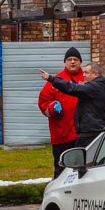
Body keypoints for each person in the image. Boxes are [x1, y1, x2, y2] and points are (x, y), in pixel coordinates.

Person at [40, 60, 105, 148]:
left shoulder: (94, 87)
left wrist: (51, 79)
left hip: (90, 132)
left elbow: (72, 88)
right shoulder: (101, 86)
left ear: (95, 74)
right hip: (95, 130)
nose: (83, 75)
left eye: (86, 73)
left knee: (83, 160)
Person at [37, 48, 83, 176]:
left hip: (82, 134)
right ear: (65, 62)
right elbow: (43, 104)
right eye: (69, 60)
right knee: (61, 169)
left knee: (83, 168)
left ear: (80, 62)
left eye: (76, 59)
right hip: (61, 134)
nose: (72, 62)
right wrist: (52, 108)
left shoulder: (87, 77)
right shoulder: (55, 81)